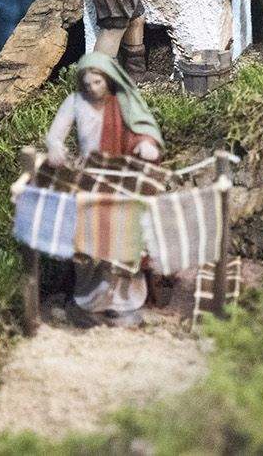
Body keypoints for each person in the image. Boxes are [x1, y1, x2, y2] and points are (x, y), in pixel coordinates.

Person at [44, 53, 165, 327]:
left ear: (109, 80)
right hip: (89, 181)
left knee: (126, 237)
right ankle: (91, 302)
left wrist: (146, 145)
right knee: (89, 242)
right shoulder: (75, 101)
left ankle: (126, 302)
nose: (92, 88)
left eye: (97, 82)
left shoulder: (123, 103)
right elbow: (55, 134)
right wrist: (54, 147)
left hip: (121, 179)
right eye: (87, 83)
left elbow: (144, 130)